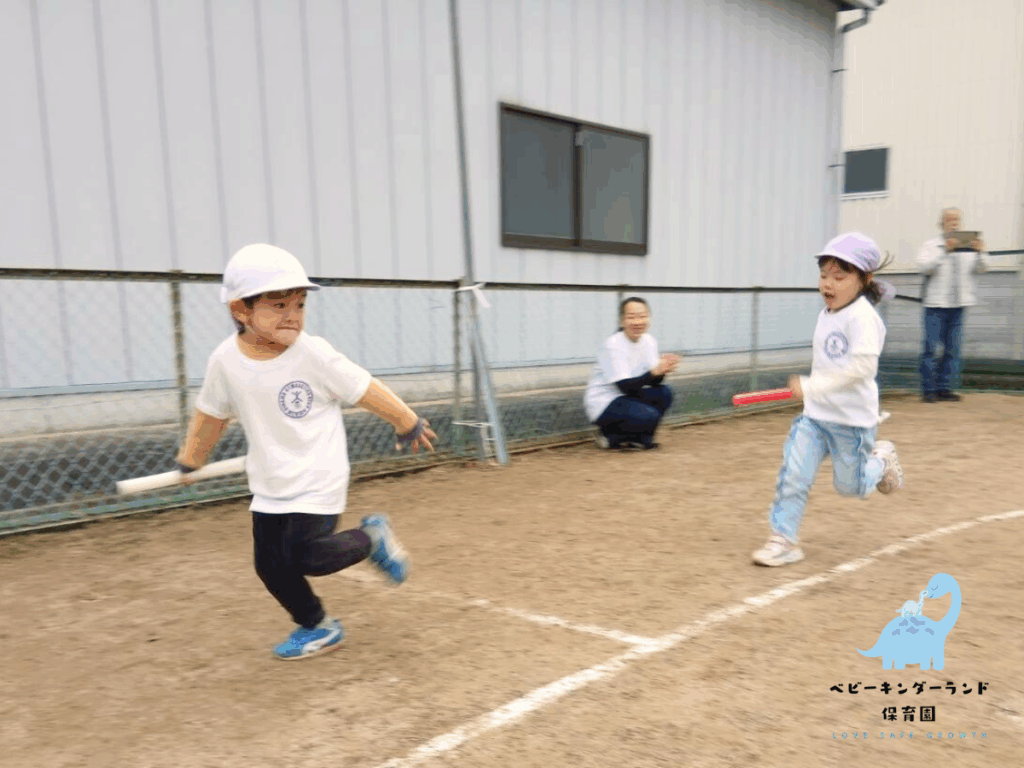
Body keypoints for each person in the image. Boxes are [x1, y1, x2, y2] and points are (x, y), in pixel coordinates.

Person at [174, 243, 437, 660]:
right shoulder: (224, 361)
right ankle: (317, 626)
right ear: (241, 310)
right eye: (278, 305)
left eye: (298, 303)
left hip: (318, 475)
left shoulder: (312, 354)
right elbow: (212, 413)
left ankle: (371, 537)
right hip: (270, 480)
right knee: (270, 566)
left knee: (308, 557)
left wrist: (406, 421)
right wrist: (192, 457)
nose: (293, 314)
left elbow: (364, 388)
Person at [752, 233, 904, 567]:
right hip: (815, 418)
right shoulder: (827, 313)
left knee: (852, 487)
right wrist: (814, 394)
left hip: (852, 422)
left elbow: (862, 368)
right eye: (824, 276)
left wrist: (812, 385)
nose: (828, 284)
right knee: (794, 474)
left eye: (840, 276)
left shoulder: (863, 318)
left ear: (864, 279)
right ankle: (784, 539)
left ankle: (880, 460)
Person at [583, 297, 681, 451]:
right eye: (631, 317)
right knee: (649, 415)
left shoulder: (649, 341)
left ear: (649, 318)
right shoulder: (613, 344)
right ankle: (609, 435)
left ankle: (639, 439)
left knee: (664, 393)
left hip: (627, 396)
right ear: (622, 321)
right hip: (605, 402)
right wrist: (653, 372)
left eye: (642, 316)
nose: (637, 322)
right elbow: (624, 387)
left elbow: (653, 382)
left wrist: (662, 371)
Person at [916, 207, 989, 402]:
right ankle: (929, 391)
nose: (954, 223)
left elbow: (983, 269)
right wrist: (944, 252)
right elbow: (923, 267)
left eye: (957, 219)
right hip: (935, 305)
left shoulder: (968, 246)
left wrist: (980, 252)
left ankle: (944, 389)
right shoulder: (932, 244)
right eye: (949, 219)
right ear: (942, 223)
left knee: (953, 349)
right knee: (931, 349)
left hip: (958, 305)